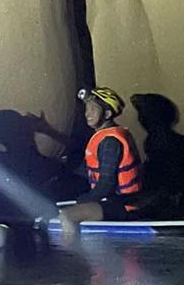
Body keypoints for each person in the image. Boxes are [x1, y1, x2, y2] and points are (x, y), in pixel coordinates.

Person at [58, 87, 141, 237]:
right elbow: (83, 172)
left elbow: (106, 186)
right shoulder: (102, 137)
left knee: (67, 215)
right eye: (86, 109)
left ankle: (71, 257)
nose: (87, 114)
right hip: (114, 201)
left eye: (93, 109)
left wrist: (82, 201)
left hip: (123, 205)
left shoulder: (110, 142)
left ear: (107, 114)